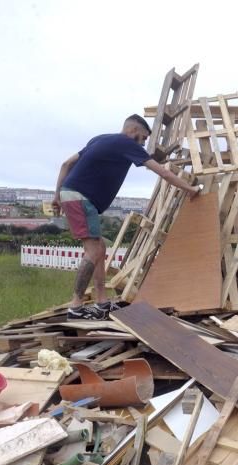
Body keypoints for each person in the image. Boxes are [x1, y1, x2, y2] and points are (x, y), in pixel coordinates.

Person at [53, 114, 202, 320]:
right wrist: (190, 189)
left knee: (100, 248)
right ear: (132, 131)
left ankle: (102, 303)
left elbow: (65, 165)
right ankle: (76, 307)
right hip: (80, 197)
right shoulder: (126, 143)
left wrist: (57, 196)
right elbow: (164, 173)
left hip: (72, 194)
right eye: (142, 138)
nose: (143, 144)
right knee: (93, 250)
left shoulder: (101, 139)